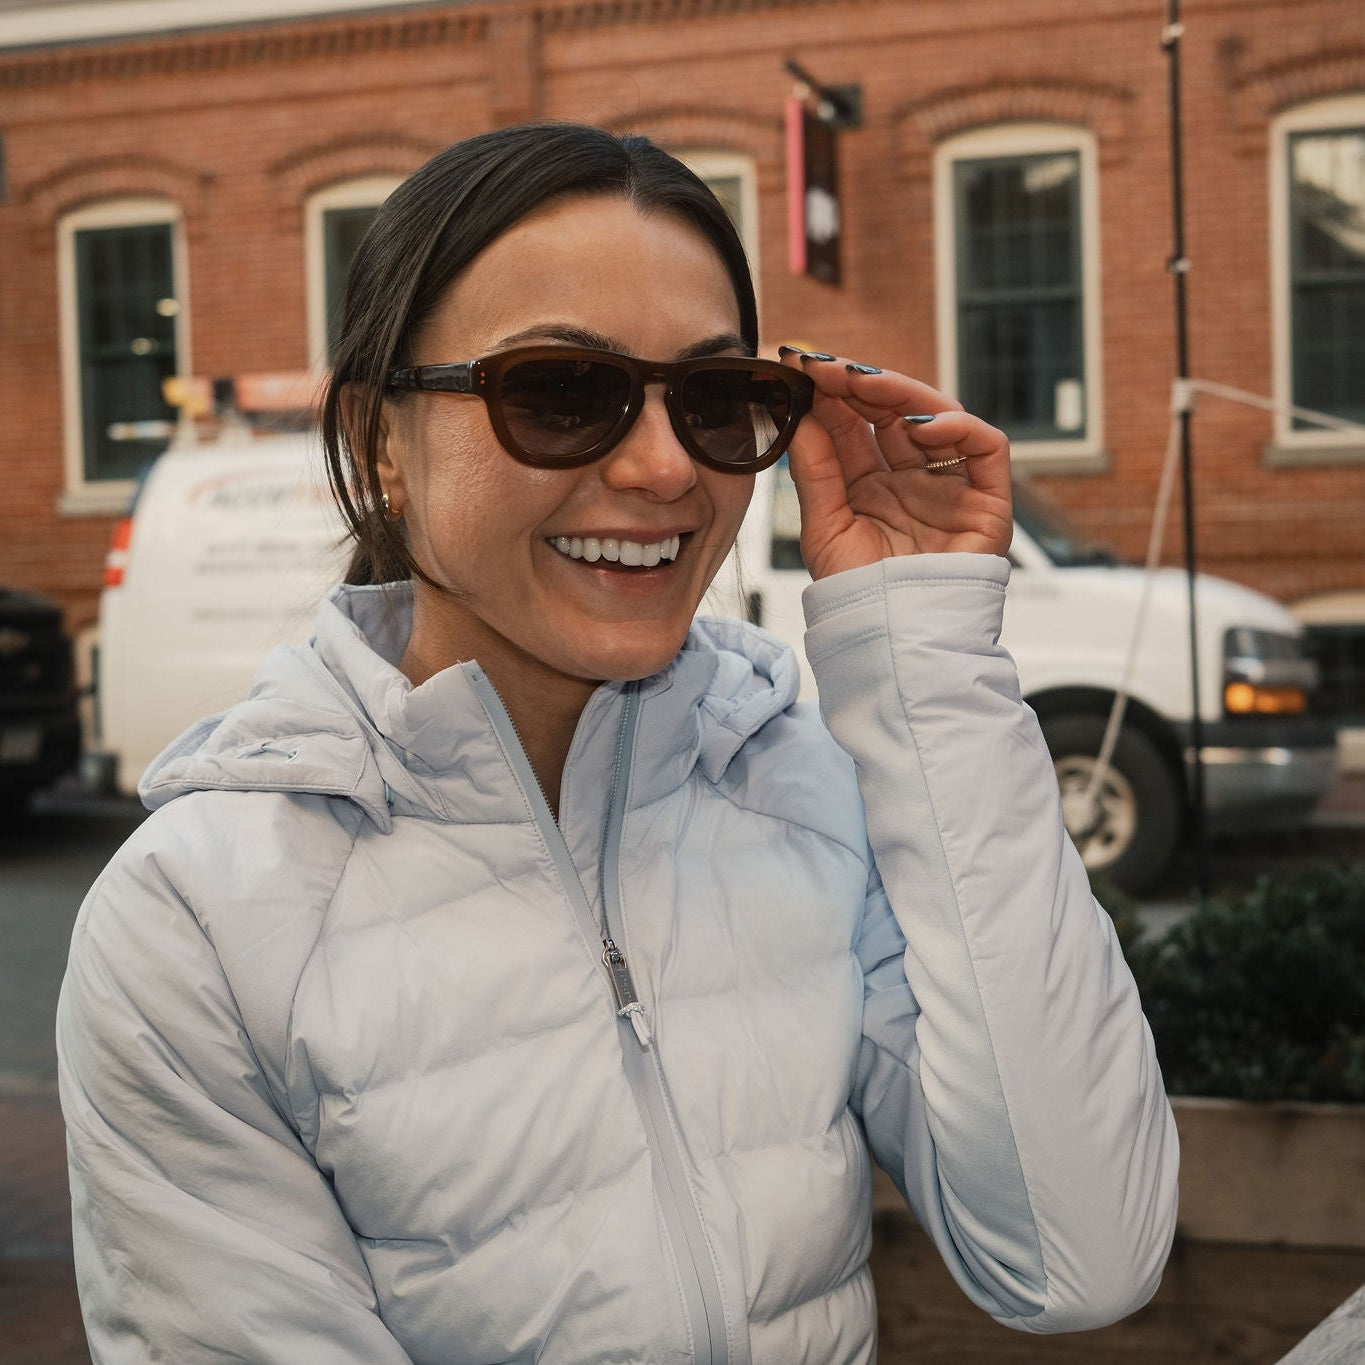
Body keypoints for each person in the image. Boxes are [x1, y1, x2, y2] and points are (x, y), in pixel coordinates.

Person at [57, 122, 1178, 1364]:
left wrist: (924, 664)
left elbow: (1082, 1255)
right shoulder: (199, 923)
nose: (661, 469)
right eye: (557, 393)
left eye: (713, 399)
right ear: (381, 442)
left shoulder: (802, 790)